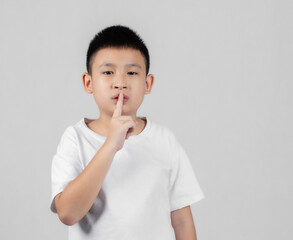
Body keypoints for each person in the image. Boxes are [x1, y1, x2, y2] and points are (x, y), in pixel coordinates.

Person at [50, 25, 205, 240]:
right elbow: (67, 213)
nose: (120, 83)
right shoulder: (76, 139)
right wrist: (110, 145)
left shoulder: (164, 141)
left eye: (132, 72)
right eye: (108, 72)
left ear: (147, 83)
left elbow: (182, 221)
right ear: (89, 82)